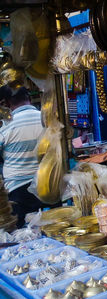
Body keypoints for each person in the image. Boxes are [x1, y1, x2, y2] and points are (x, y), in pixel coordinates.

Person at [0, 85, 59, 228]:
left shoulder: (6, 127)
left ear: (7, 103)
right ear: (30, 98)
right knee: (54, 230)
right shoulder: (48, 120)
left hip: (18, 191)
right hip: (49, 187)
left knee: (22, 237)